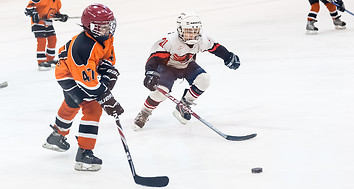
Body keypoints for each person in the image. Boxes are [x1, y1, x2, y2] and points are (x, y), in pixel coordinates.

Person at [42, 4, 123, 172]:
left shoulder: (106, 37)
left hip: (78, 72)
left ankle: (56, 136)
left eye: (108, 24)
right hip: (69, 76)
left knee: (71, 102)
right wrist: (107, 97)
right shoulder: (84, 47)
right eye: (101, 27)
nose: (106, 29)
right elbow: (87, 83)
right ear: (89, 26)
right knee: (93, 108)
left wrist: (107, 74)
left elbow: (107, 59)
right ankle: (84, 154)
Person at [133, 12, 240, 130]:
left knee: (204, 79)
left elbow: (215, 47)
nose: (193, 35)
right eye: (189, 31)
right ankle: (145, 112)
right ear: (180, 30)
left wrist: (228, 56)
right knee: (160, 92)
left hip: (187, 66)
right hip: (168, 68)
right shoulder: (170, 41)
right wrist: (150, 72)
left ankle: (184, 105)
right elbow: (154, 57)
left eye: (195, 31)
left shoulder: (202, 40)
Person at [24, 0, 68, 71]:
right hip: (38, 23)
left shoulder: (57, 2)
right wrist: (33, 13)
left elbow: (55, 14)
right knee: (42, 41)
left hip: (48, 23)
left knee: (53, 39)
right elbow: (27, 10)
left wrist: (61, 17)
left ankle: (50, 59)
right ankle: (41, 61)